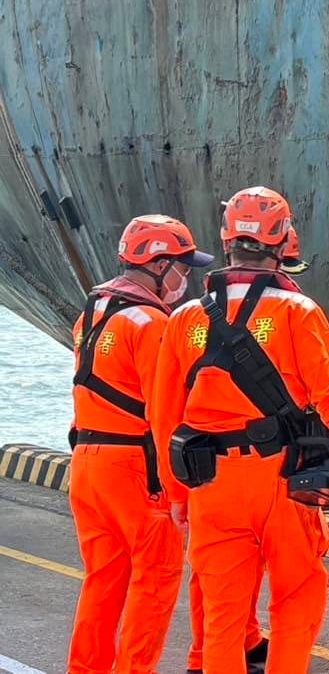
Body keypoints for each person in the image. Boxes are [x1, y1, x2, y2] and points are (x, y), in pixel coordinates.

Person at [151, 186, 329, 674]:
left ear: (227, 238)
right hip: (283, 479)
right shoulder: (299, 312)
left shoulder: (185, 317)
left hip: (210, 483)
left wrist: (177, 492)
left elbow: (164, 416)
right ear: (284, 240)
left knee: (223, 613)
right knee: (296, 596)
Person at [66, 214, 212, 674]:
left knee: (103, 581)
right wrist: (179, 487)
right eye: (182, 267)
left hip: (89, 464)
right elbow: (165, 410)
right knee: (156, 580)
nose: (185, 278)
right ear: (159, 264)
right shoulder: (151, 323)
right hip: (135, 468)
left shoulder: (90, 314)